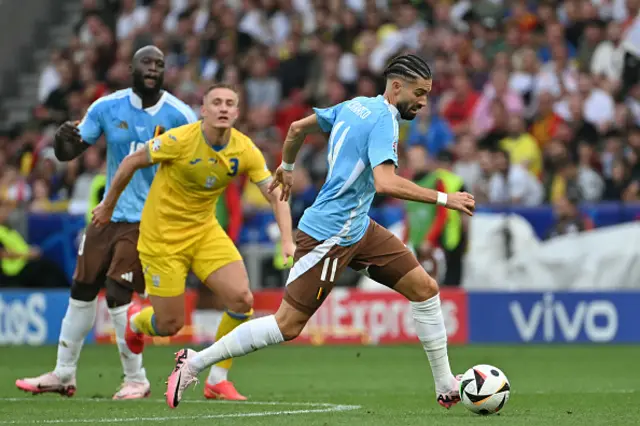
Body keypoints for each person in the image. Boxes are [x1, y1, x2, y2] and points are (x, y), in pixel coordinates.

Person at [163, 54, 475, 409]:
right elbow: (385, 182)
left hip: (358, 228)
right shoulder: (384, 121)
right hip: (329, 235)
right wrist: (444, 198)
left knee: (425, 288)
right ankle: (195, 362)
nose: (423, 102)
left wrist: (287, 165)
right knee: (287, 324)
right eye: (419, 93)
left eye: (427, 95)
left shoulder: (356, 105)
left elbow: (296, 128)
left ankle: (445, 383)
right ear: (397, 86)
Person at [91, 83, 295, 401]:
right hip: (162, 238)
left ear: (237, 112)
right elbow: (131, 162)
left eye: (230, 103)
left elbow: (275, 193)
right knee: (169, 323)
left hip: (204, 232)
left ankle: (217, 379)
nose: (223, 108)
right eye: (216, 102)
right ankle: (135, 322)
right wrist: (107, 205)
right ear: (204, 110)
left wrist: (287, 240)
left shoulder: (244, 149)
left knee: (242, 299)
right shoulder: (180, 140)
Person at [15, 45, 198, 400]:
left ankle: (136, 378)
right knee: (82, 289)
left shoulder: (180, 114)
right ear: (131, 68)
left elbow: (195, 163)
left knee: (117, 292)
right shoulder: (106, 107)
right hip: (107, 213)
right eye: (147, 62)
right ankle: (64, 373)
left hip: (148, 219)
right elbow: (71, 150)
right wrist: (61, 142)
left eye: (159, 64)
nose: (153, 68)